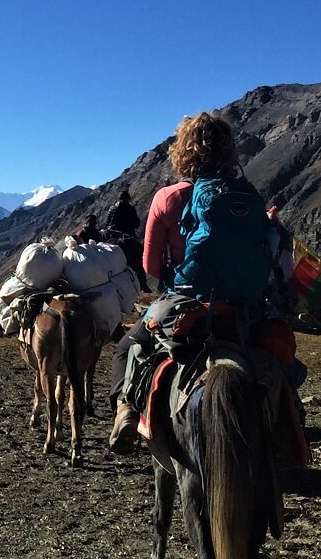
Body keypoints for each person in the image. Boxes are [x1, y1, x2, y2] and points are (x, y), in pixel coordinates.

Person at [108, 112, 247, 453]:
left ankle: (126, 411)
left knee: (128, 347)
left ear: (182, 152)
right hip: (239, 305)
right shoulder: (244, 196)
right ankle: (288, 426)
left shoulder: (167, 197)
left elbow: (151, 265)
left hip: (184, 303)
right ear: (229, 150)